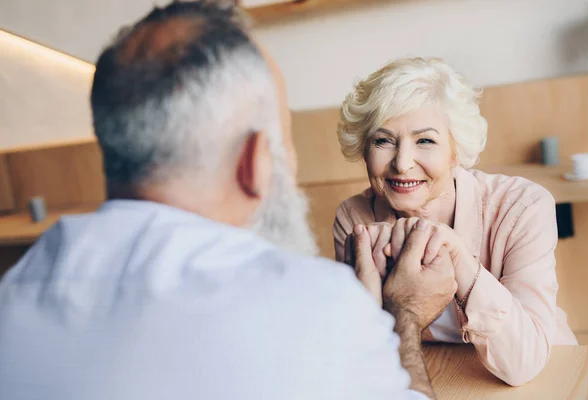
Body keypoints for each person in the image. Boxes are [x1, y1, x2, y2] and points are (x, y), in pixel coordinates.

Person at [0, 2, 456, 399]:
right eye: (286, 142)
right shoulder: (315, 309)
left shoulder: (12, 297)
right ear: (256, 162)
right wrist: (406, 316)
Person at [333, 57, 578, 387]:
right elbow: (361, 354)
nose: (402, 164)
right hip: (434, 377)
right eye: (383, 140)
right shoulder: (355, 220)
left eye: (425, 141)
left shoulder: (523, 206)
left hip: (545, 379)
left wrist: (458, 255)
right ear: (364, 149)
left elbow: (523, 364)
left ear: (455, 149)